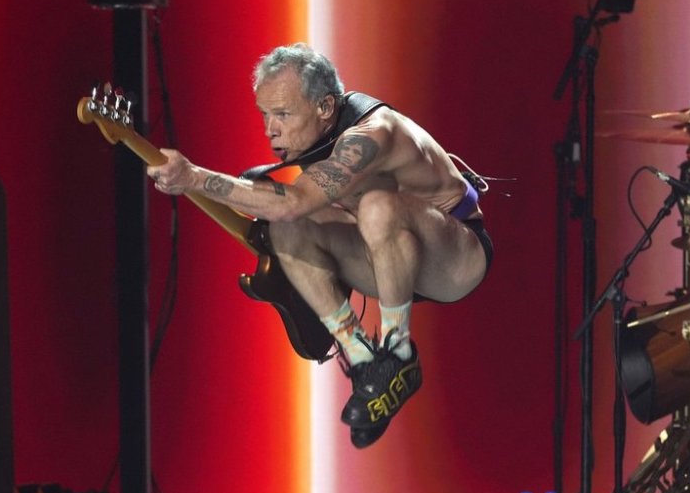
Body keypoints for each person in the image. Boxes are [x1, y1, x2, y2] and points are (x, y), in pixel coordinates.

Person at [148, 43, 492, 448]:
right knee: (287, 229)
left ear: (325, 107)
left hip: (454, 259)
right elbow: (289, 211)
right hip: (386, 260)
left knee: (374, 206)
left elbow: (295, 201)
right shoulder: (316, 138)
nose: (270, 130)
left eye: (283, 114)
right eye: (265, 115)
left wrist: (192, 177)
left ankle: (397, 356)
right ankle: (363, 358)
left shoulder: (371, 134)